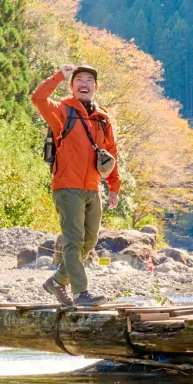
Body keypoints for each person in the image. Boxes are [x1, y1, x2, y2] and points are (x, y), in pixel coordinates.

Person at [31, 63, 121, 307]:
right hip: (67, 186)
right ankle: (81, 293)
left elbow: (111, 154)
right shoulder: (62, 111)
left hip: (93, 187)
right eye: (79, 79)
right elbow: (38, 98)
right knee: (74, 240)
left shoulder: (103, 118)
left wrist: (114, 186)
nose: (84, 84)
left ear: (95, 87)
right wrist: (60, 74)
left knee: (89, 241)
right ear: (72, 86)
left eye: (89, 80)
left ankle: (57, 281)